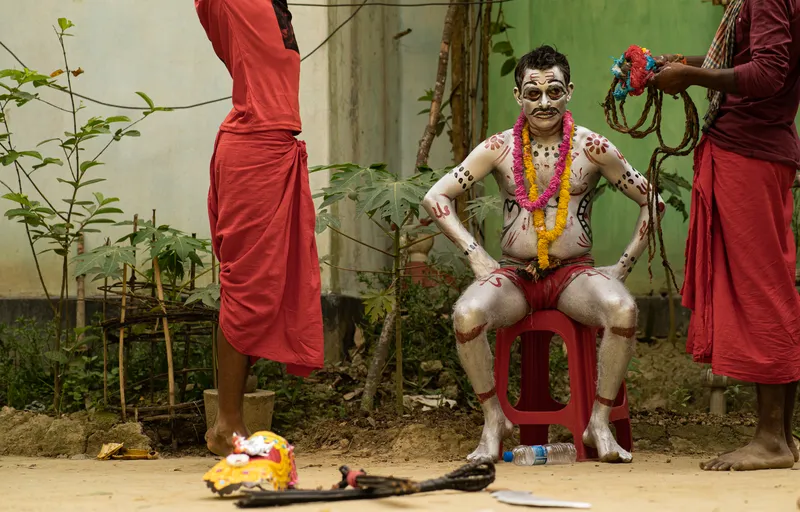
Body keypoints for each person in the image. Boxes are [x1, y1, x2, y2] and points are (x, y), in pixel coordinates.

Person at [422, 45, 665, 463]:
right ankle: (493, 420)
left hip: (574, 276)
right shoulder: (499, 147)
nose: (545, 102)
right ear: (518, 96)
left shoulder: (592, 147)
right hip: (515, 277)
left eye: (554, 91)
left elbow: (653, 202)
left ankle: (599, 422)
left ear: (569, 90)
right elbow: (436, 196)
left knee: (622, 311)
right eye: (533, 94)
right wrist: (476, 255)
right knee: (466, 315)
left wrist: (623, 267)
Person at [647, 0, 800, 471]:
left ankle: (771, 439)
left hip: (749, 153)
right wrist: (687, 65)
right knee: (770, 284)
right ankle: (782, 438)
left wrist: (692, 78)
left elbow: (768, 74)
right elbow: (755, 60)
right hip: (759, 149)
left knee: (763, 290)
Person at [195, 0, 324, 456]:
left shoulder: (274, 6)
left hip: (275, 151)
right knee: (245, 291)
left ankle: (228, 422)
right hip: (251, 151)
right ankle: (225, 424)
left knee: (269, 289)